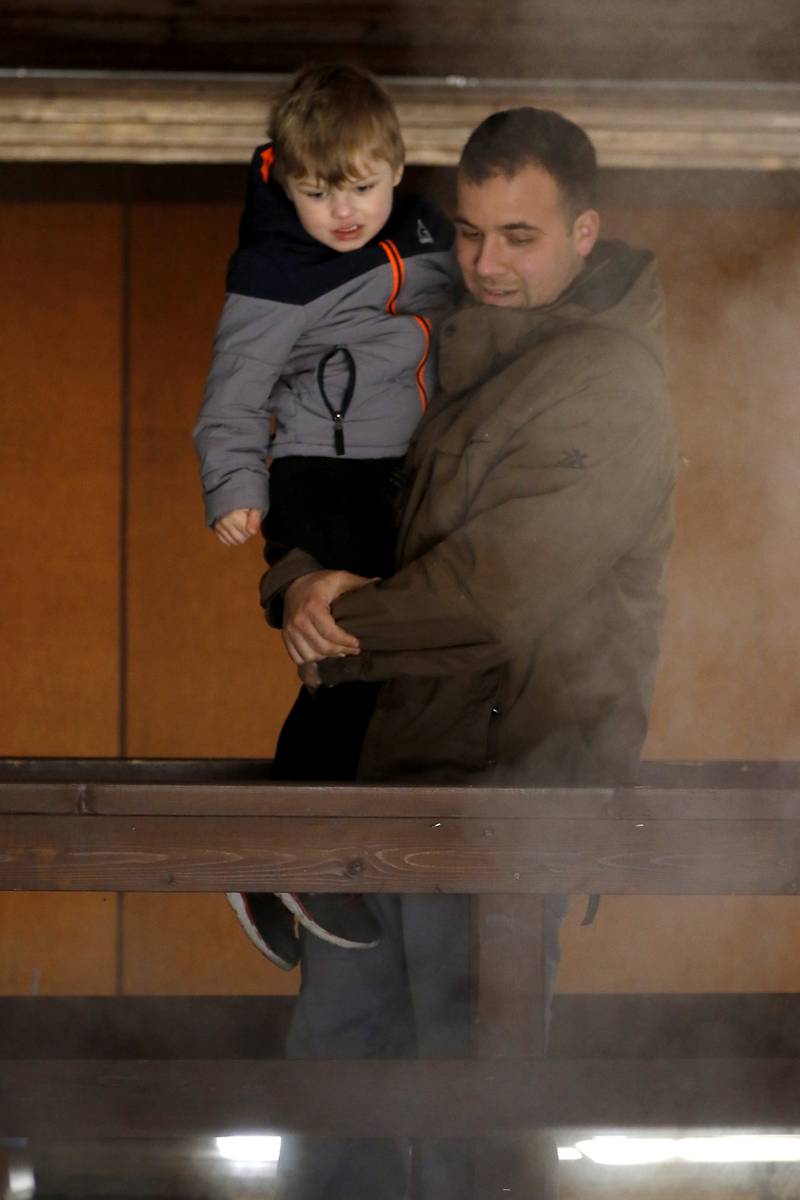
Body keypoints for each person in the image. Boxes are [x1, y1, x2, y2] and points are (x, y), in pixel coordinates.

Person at [263, 105, 677, 1198]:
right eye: (472, 233)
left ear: (584, 233)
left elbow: (496, 596)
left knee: (470, 1113)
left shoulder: (607, 384)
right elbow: (339, 484)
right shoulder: (440, 343)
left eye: (520, 238)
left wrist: (333, 629)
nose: (487, 263)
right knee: (338, 1097)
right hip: (383, 782)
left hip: (504, 798)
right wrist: (297, 576)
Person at [192, 63, 458, 968]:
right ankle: (286, 852)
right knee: (343, 660)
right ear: (284, 183)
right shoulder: (275, 268)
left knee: (386, 661)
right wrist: (235, 485)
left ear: (397, 167)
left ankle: (293, 858)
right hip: (322, 473)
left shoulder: (427, 230)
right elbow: (234, 390)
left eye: (361, 188)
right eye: (314, 192)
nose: (341, 213)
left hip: (403, 477)